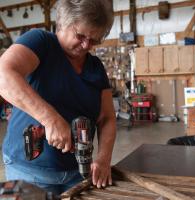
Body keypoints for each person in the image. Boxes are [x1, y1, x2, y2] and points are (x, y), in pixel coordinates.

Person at [0, 0, 116, 195]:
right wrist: (50, 119)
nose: (86, 45)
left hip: (78, 173)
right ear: (63, 22)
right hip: (30, 170)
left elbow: (107, 118)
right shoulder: (40, 42)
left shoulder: (96, 67)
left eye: (94, 40)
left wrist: (104, 159)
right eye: (80, 36)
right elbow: (3, 75)